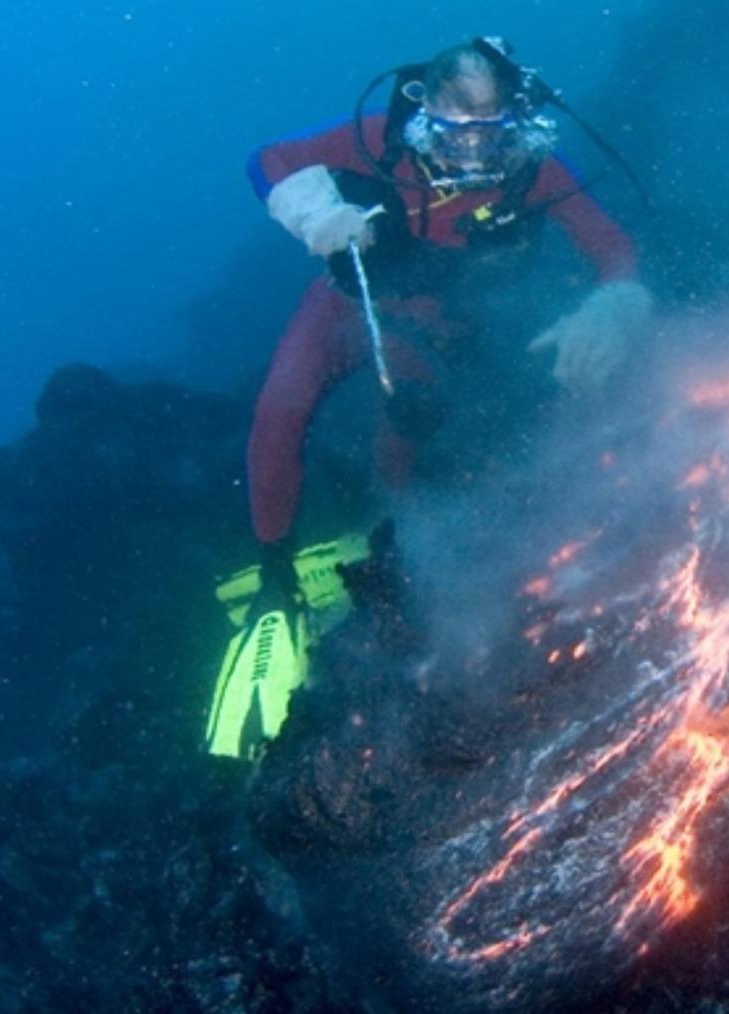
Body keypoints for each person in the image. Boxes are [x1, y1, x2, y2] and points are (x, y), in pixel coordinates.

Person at [205, 38, 652, 758]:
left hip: (433, 328)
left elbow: (615, 250)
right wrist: (309, 210)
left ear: (517, 121)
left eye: (491, 132)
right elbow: (267, 160)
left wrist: (612, 305)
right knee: (279, 411)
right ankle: (273, 583)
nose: (473, 152)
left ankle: (396, 538)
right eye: (453, 132)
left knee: (408, 425)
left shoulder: (533, 171)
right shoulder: (380, 141)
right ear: (423, 117)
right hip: (348, 306)